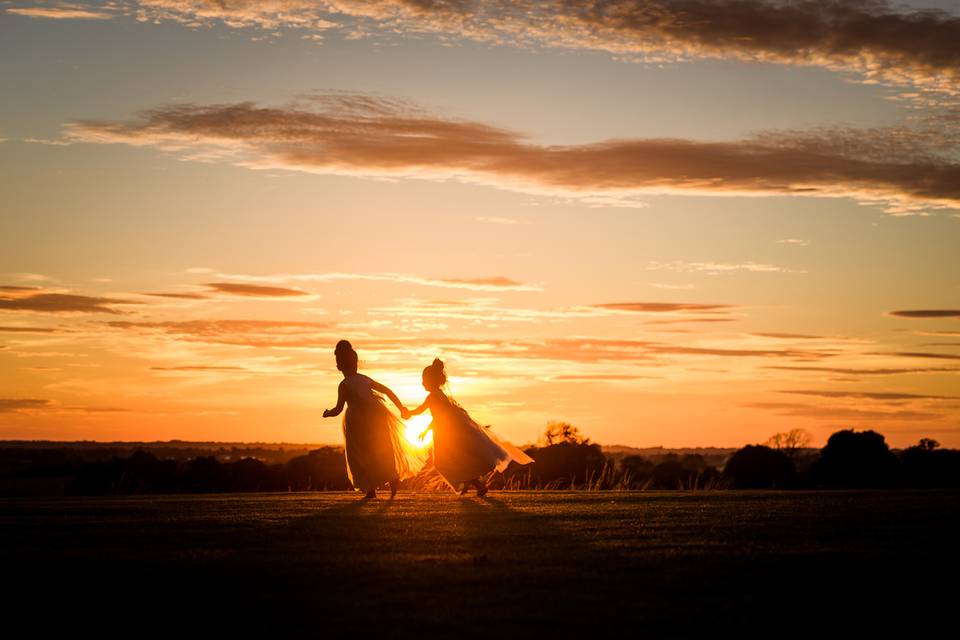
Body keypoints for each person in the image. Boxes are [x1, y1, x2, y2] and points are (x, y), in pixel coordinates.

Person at [405, 358, 533, 495]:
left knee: (445, 462)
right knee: (455, 460)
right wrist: (422, 427)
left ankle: (477, 486)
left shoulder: (433, 397)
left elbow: (427, 413)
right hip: (444, 431)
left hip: (445, 433)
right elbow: (437, 417)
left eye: (424, 380)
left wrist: (409, 414)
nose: (422, 383)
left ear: (431, 381)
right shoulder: (439, 395)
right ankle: (467, 485)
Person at [323, 340, 424, 499]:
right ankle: (391, 478)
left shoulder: (344, 384)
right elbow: (388, 391)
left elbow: (338, 409)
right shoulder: (364, 379)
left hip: (357, 422)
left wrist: (328, 413)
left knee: (361, 455)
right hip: (376, 418)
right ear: (355, 363)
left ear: (339, 366)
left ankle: (370, 490)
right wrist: (401, 408)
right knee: (381, 449)